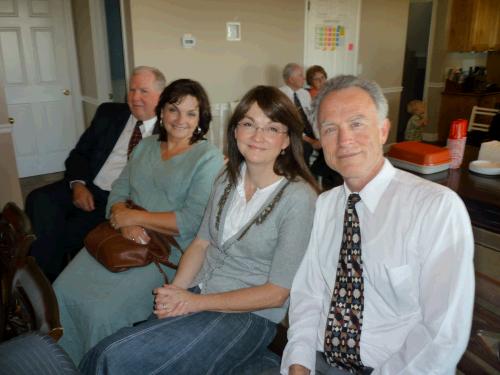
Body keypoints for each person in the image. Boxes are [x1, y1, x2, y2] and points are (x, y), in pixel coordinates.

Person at [78, 86, 319, 375]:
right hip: (199, 290)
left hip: (249, 316)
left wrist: (194, 302)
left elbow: (277, 293)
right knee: (108, 351)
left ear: (286, 140)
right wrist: (175, 290)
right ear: (235, 131)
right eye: (248, 124)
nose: (257, 136)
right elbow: (201, 243)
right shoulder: (226, 179)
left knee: (116, 359)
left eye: (272, 128)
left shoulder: (298, 198)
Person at [281, 75, 474, 374]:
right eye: (331, 129)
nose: (344, 140)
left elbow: (442, 333)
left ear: (383, 130)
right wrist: (298, 362)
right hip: (317, 358)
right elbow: (309, 293)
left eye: (357, 123)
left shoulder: (435, 208)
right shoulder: (326, 204)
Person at [52, 79, 225, 364]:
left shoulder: (208, 158)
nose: (181, 120)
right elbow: (119, 189)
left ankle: (98, 366)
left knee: (101, 312)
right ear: (162, 113)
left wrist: (134, 217)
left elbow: (192, 220)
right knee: (62, 289)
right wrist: (124, 219)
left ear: (201, 119)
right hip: (121, 235)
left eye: (191, 113)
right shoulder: (145, 147)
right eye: (174, 110)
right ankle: (60, 361)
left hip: (164, 251)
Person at [25, 66, 166, 281]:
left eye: (143, 91)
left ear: (161, 96)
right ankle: (42, 279)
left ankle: (43, 282)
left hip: (118, 200)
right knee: (38, 199)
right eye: (132, 90)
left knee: (58, 234)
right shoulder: (109, 114)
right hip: (89, 185)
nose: (135, 97)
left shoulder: (169, 133)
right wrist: (78, 185)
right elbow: (79, 154)